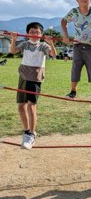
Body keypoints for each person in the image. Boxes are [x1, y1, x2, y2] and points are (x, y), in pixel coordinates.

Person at [9, 22, 57, 150]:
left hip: (35, 78)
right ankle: (27, 131)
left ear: (41, 34)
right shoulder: (25, 44)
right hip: (23, 76)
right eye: (31, 32)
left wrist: (51, 42)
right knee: (21, 106)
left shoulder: (43, 45)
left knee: (31, 106)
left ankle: (31, 135)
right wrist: (13, 39)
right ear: (27, 33)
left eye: (37, 32)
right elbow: (13, 51)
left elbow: (53, 54)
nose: (34, 34)